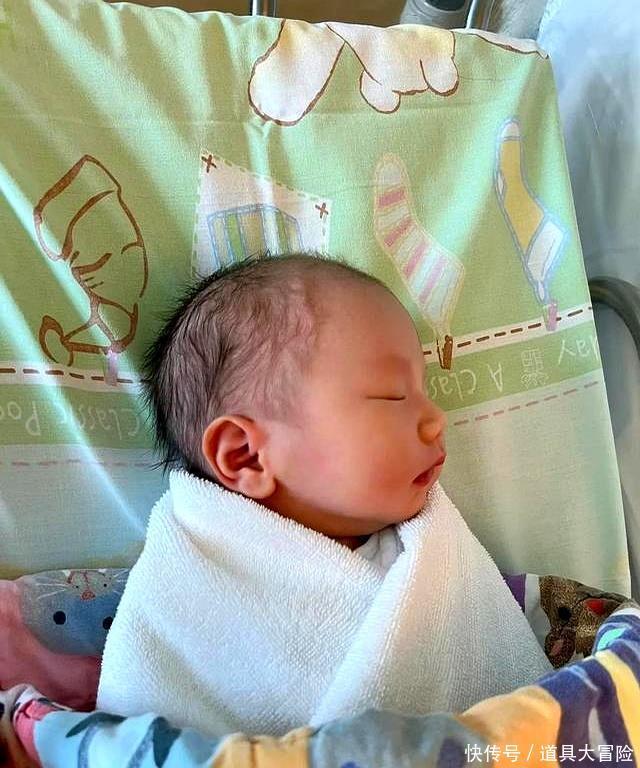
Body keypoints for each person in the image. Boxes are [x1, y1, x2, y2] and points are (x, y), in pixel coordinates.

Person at [97, 252, 552, 737]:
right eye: (392, 395)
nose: (436, 419)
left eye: (423, 390)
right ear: (247, 456)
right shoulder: (185, 590)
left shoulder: (431, 550)